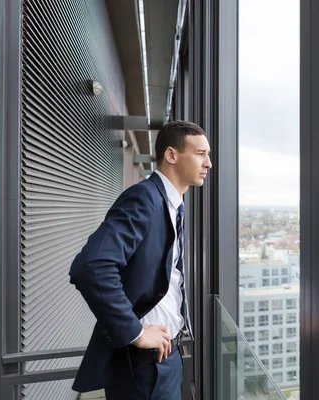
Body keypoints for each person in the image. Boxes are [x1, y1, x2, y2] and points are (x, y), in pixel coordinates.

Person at [69, 120, 212, 399]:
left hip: (166, 354)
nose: (208, 163)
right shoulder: (144, 198)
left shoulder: (171, 206)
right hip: (144, 364)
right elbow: (91, 266)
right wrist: (135, 332)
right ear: (172, 155)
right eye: (200, 154)